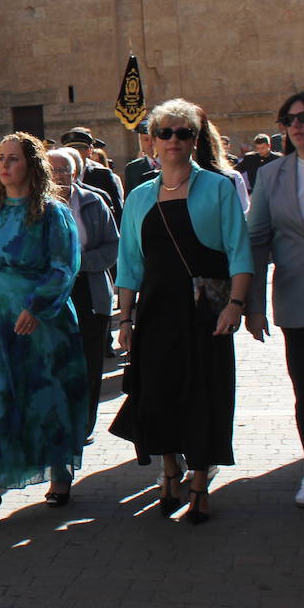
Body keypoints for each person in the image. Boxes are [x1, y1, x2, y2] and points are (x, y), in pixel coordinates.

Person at [110, 99, 252, 525]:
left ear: (195, 140)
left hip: (206, 312)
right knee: (157, 392)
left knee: (205, 393)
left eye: (183, 133)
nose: (173, 140)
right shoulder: (138, 196)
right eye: (165, 133)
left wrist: (237, 304)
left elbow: (239, 252)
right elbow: (130, 262)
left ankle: (199, 482)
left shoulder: (219, 188)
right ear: (151, 141)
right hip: (156, 312)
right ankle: (169, 468)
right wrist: (125, 319)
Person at [0, 133, 86, 521]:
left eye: (13, 159)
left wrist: (37, 307)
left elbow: (63, 266)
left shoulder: (52, 213)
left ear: (32, 165)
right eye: (1, 158)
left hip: (41, 324)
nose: (3, 165)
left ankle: (59, 473)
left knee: (44, 398)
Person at [246, 91, 304, 507]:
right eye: (291, 119)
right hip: (297, 299)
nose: (298, 125)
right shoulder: (272, 176)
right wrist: (250, 303)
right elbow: (257, 240)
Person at [48, 147, 120, 439]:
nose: (58, 176)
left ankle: (84, 424)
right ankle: (59, 420)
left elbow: (111, 246)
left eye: (64, 170)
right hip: (52, 292)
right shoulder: (35, 206)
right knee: (57, 360)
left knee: (89, 362)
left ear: (75, 172)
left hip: (89, 289)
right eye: (52, 170)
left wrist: (79, 264)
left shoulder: (94, 202)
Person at [61, 129, 124, 223]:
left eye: (80, 149)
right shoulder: (58, 176)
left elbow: (117, 210)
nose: (75, 154)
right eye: (71, 150)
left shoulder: (102, 175)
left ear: (89, 151)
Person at [123, 119, 159, 192]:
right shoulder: (132, 168)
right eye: (146, 140)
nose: (150, 143)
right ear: (140, 142)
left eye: (153, 139)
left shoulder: (172, 164)